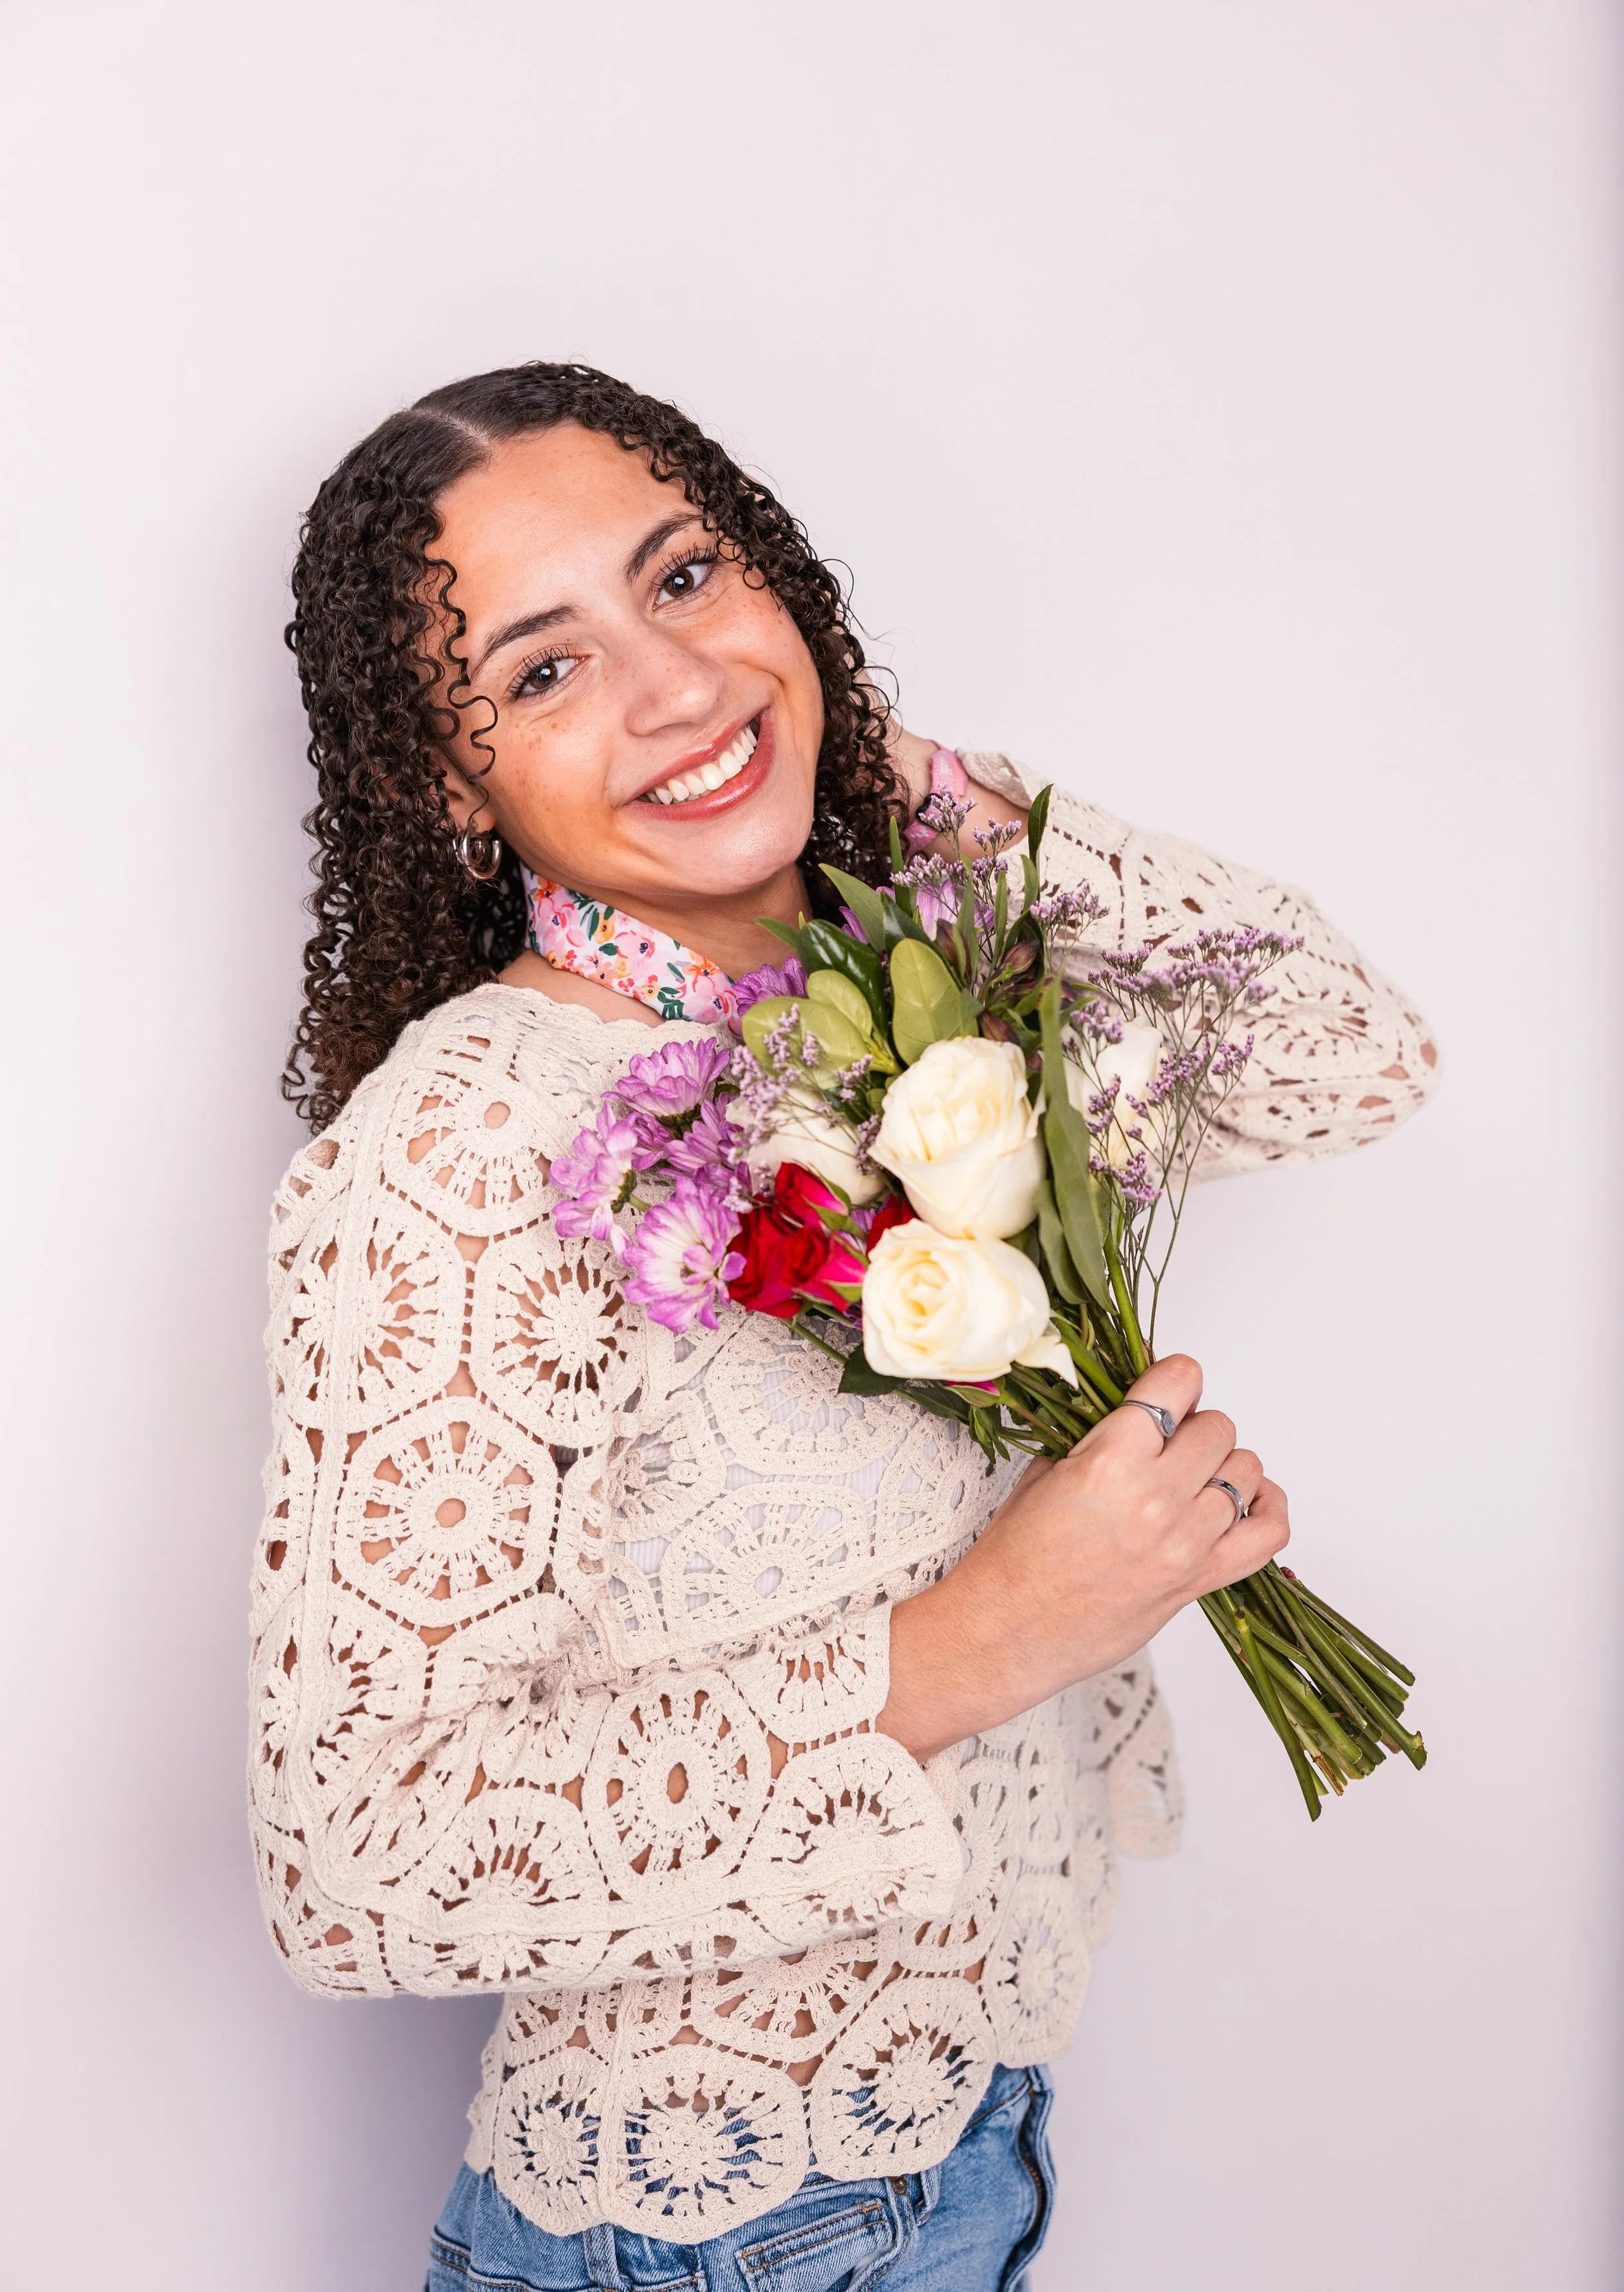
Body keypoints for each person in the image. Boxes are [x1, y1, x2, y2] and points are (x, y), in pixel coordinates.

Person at [252, 362, 1438, 2291]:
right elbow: (357, 1856)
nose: (676, 686)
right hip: (697, 2224)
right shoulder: (470, 1147)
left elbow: (1344, 1053)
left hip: (968, 2130)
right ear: (444, 785)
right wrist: (979, 1641)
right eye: (544, 671)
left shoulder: (921, 977)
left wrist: (940, 803)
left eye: (692, 578)